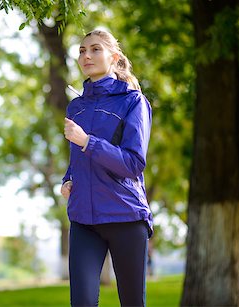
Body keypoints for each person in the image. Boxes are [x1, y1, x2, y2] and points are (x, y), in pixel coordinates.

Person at [61, 29, 153, 307]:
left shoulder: (133, 101)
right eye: (81, 50)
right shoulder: (75, 107)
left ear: (113, 57)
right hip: (83, 220)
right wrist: (68, 180)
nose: (86, 55)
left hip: (125, 215)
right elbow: (77, 159)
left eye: (95, 49)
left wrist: (88, 142)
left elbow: (132, 163)